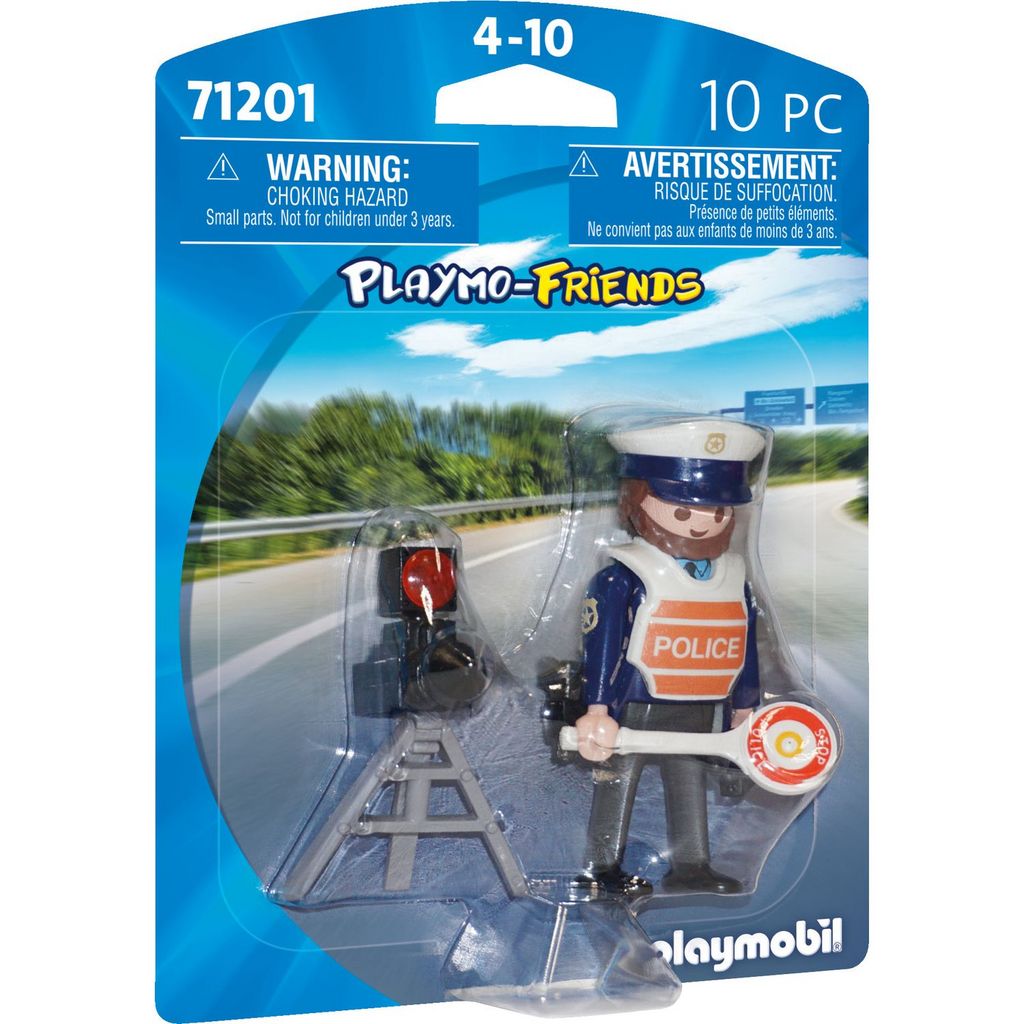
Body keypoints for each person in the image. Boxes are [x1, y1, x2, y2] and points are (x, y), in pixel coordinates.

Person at [573, 418, 765, 898]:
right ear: (637, 501)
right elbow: (602, 645)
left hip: (702, 702)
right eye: (682, 510)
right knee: (617, 781)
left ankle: (692, 864)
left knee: (690, 781)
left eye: (717, 510)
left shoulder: (733, 577)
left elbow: (744, 642)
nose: (702, 521)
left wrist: (746, 706)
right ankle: (602, 868)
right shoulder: (623, 576)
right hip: (635, 702)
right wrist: (597, 708)